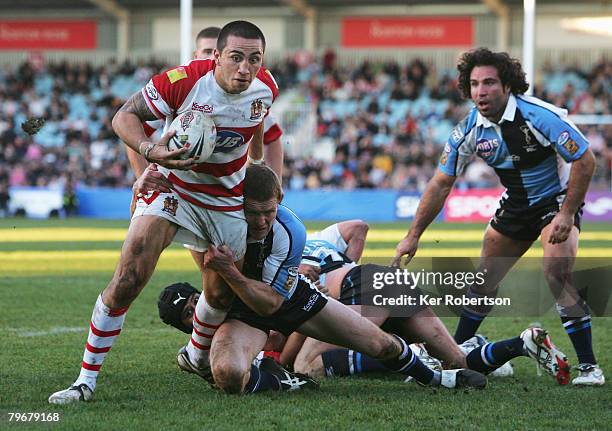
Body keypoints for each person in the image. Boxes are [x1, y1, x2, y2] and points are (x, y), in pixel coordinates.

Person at [48, 20, 279, 404]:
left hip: (224, 200)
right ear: (216, 56)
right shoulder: (182, 81)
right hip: (175, 188)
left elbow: (257, 125)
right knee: (130, 274)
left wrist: (258, 169)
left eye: (254, 59)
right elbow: (124, 116)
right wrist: (151, 155)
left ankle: (195, 353)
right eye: (236, 58)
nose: (245, 68)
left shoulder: (265, 87)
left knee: (221, 292)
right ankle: (84, 381)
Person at [391, 47, 603, 386]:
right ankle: (457, 353)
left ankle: (590, 367)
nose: (480, 91)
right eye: (474, 84)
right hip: (517, 205)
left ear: (507, 86)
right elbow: (441, 182)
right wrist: (413, 235)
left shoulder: (539, 116)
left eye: (489, 82)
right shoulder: (469, 129)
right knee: (484, 280)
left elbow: (585, 160)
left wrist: (566, 213)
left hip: (556, 202)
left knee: (556, 272)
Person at [175, 164, 487, 393]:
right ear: (237, 205)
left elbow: (271, 304)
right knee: (228, 376)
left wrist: (229, 271)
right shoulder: (221, 221)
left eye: (267, 212)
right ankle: (281, 381)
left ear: (280, 200)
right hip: (244, 311)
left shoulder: (290, 229)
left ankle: (435, 379)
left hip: (289, 297)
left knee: (380, 345)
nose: (260, 221)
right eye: (252, 212)